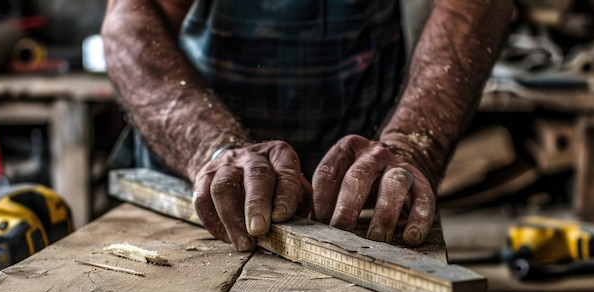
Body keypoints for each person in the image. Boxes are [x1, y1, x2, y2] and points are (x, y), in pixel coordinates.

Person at [101, 0, 514, 252]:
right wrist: (212, 146)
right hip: (198, 165)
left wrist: (412, 142)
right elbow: (129, 22)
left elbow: (475, 6)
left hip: (361, 180)